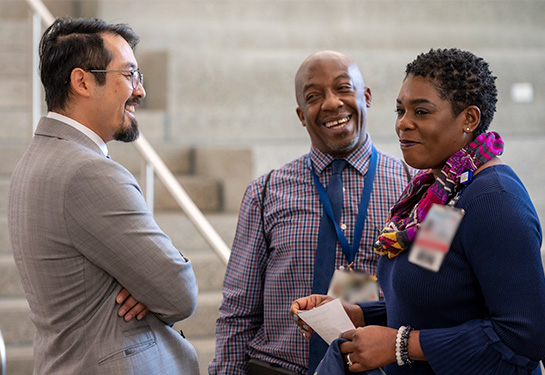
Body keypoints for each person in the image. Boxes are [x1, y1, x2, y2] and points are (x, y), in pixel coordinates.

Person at [291, 48, 545, 375]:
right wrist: (360, 314)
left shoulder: (493, 198)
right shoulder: (443, 194)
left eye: (421, 112)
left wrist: (400, 345)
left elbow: (523, 336)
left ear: (469, 119)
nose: (403, 124)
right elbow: (438, 301)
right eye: (401, 109)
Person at [8, 17, 200, 374]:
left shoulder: (33, 161)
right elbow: (178, 293)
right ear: (82, 81)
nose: (140, 91)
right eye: (129, 75)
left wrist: (146, 279)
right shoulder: (88, 172)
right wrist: (149, 279)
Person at [210, 50, 412, 375]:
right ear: (302, 114)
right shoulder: (263, 193)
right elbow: (238, 311)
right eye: (314, 96)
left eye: (343, 88)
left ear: (367, 96)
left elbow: (436, 299)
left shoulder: (418, 188)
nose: (331, 103)